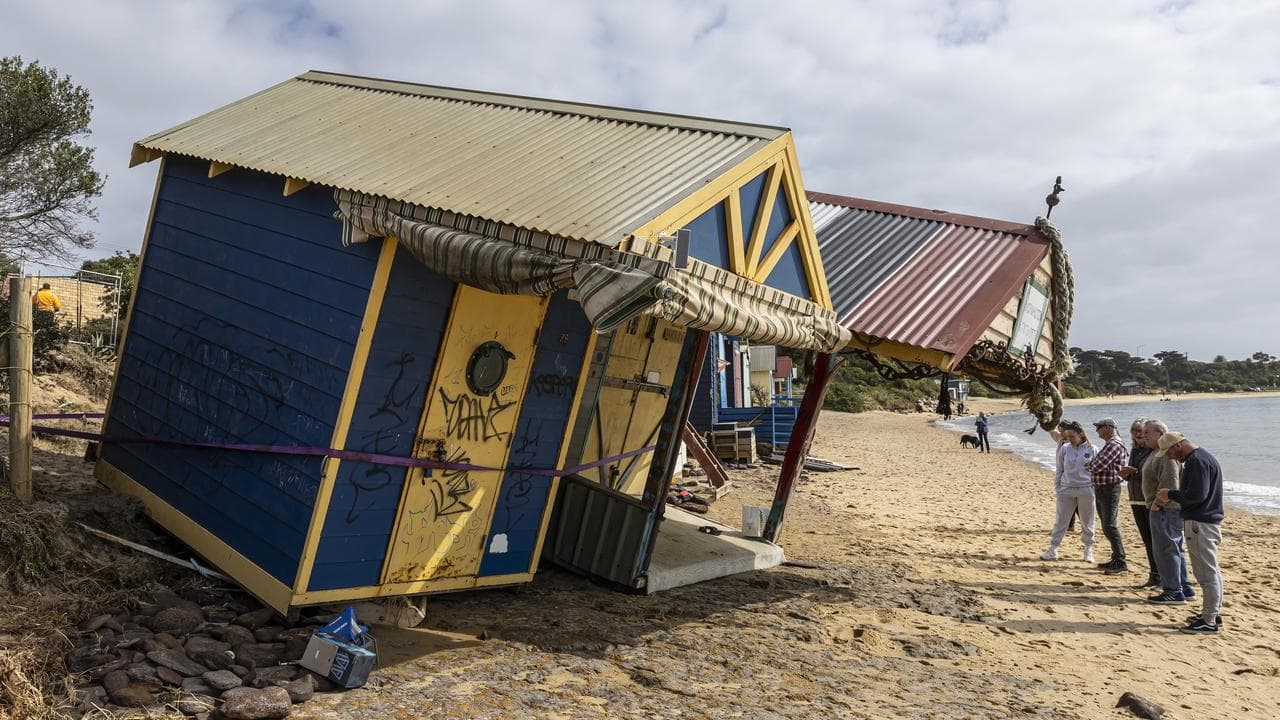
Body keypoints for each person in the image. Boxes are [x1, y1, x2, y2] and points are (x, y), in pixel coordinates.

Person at [1157, 433, 1225, 633]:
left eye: (1169, 451)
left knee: (1206, 574)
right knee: (1211, 571)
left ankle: (1209, 620)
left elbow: (1196, 495)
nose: (1169, 457)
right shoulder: (1203, 457)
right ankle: (1212, 613)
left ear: (1178, 445)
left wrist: (1170, 494)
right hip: (1207, 521)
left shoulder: (1196, 461)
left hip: (1200, 522)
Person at [1142, 420, 1194, 604]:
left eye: (1148, 431)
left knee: (1166, 550)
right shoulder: (1156, 453)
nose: (1143, 434)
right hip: (1164, 508)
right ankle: (1184, 588)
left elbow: (1171, 482)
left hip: (1166, 509)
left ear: (1161, 433)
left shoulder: (1165, 455)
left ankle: (1174, 591)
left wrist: (1158, 503)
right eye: (1143, 432)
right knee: (1173, 549)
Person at [1041, 420, 1096, 561]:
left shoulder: (1092, 449)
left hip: (1086, 490)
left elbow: (1097, 471)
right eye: (1067, 436)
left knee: (1087, 521)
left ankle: (1088, 550)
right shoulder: (1065, 448)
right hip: (1066, 489)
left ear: (1081, 434)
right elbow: (1060, 468)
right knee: (1061, 521)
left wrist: (1093, 488)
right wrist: (1058, 487)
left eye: (1072, 437)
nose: (1069, 439)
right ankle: (1053, 549)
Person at [1084, 418, 1129, 573]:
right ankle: (1116, 558)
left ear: (1109, 428)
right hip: (1104, 488)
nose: (1097, 431)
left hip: (1109, 488)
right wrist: (1091, 465)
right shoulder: (1111, 444)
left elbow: (1096, 465)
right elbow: (1095, 464)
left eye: (1099, 428)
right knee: (1107, 525)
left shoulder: (1113, 445)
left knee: (1109, 525)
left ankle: (1120, 561)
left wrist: (1090, 465)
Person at [1119, 418, 1159, 588]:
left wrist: (1134, 472)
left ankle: (1159, 575)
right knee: (1146, 540)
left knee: (1155, 540)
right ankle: (1154, 574)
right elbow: (1134, 471)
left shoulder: (1154, 451)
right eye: (1134, 431)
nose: (1137, 435)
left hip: (1148, 499)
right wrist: (1127, 474)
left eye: (1141, 431)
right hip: (1135, 497)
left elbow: (1153, 473)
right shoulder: (1135, 451)